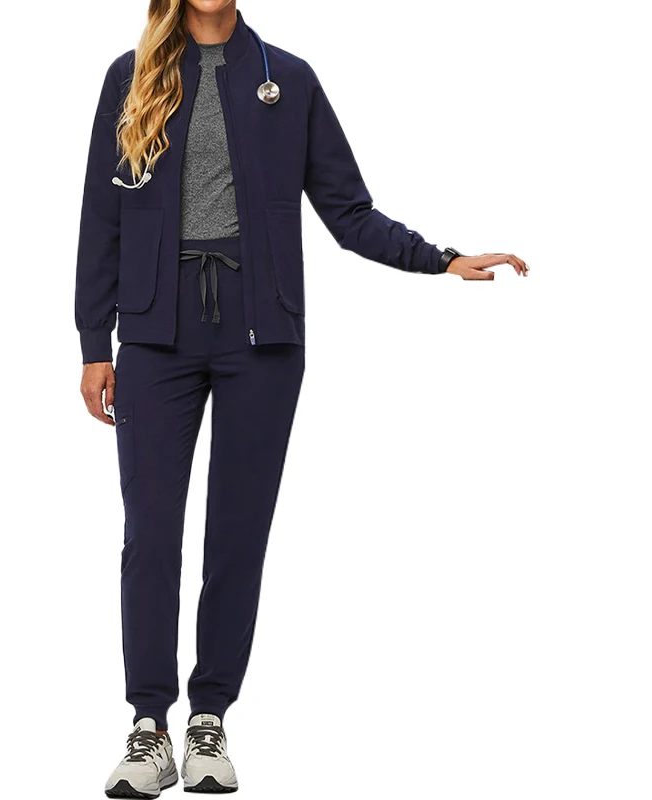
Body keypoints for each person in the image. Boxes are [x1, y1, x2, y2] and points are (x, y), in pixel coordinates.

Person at [74, 1, 529, 795]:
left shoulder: (288, 79)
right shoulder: (131, 76)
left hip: (262, 341)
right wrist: (93, 342)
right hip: (152, 337)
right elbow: (101, 218)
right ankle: (149, 726)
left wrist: (441, 258)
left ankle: (209, 719)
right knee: (150, 535)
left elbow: (348, 212)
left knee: (237, 537)